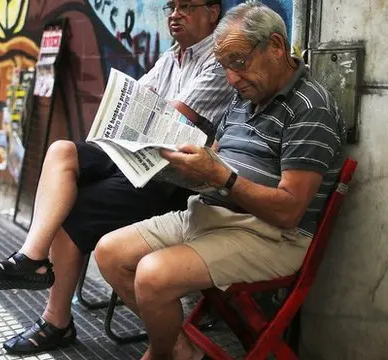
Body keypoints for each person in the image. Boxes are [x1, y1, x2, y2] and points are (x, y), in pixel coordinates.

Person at [0, 0, 236, 355]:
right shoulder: (172, 56)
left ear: (213, 11)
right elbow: (136, 102)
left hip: (172, 176)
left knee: (72, 207)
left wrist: (139, 114)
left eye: (186, 6)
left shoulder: (218, 59)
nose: (174, 15)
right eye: (170, 7)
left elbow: (168, 119)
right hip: (139, 154)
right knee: (61, 151)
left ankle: (56, 320)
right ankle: (30, 258)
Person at [93, 2, 347, 360]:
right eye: (225, 67)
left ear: (275, 46)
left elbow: (289, 211)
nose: (232, 79)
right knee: (109, 253)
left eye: (239, 62)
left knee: (152, 276)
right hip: (210, 215)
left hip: (270, 235)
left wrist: (221, 177)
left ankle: (161, 353)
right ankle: (181, 350)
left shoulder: (310, 106)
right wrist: (186, 165)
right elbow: (216, 155)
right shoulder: (244, 97)